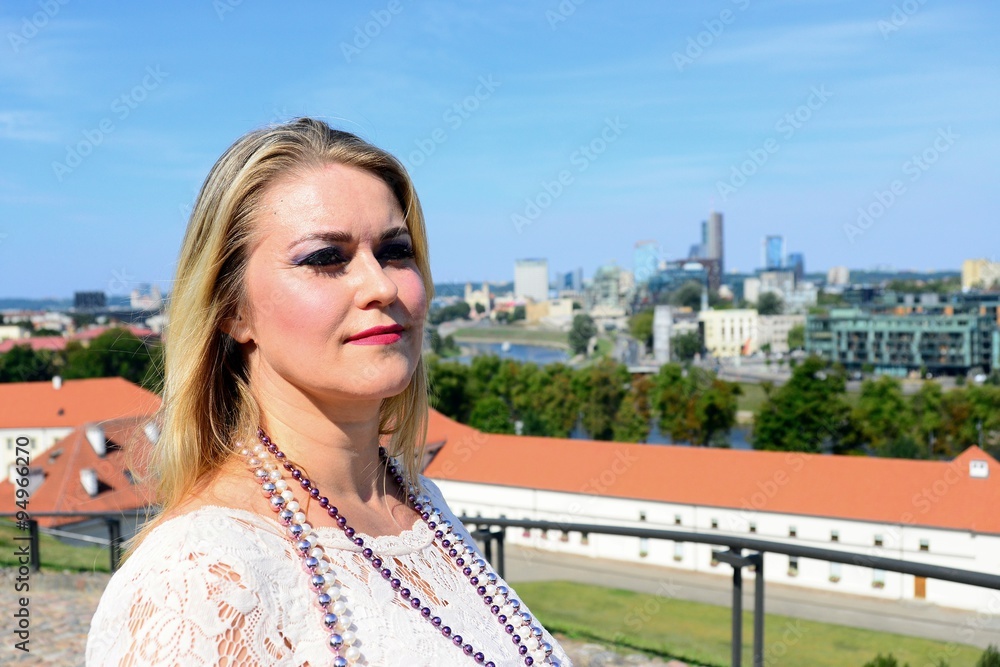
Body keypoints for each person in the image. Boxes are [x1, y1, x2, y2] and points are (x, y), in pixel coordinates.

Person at [86, 118, 572, 666]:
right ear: (232, 310)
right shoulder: (199, 579)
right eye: (324, 258)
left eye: (395, 251)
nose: (382, 285)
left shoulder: (421, 503)